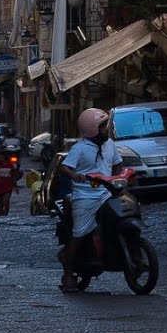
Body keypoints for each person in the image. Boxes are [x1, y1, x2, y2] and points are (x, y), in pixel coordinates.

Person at [54, 107, 123, 291]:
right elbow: (64, 167)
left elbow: (118, 164)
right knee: (79, 233)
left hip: (107, 193)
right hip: (85, 196)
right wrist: (74, 175)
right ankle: (68, 274)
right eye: (102, 126)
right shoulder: (80, 148)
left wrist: (117, 178)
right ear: (92, 128)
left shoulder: (109, 145)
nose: (106, 129)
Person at [0, 146, 18, 218]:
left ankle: (6, 215)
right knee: (0, 203)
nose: (0, 158)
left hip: (8, 186)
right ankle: (1, 216)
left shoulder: (10, 165)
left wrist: (15, 186)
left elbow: (13, 176)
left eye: (1, 157)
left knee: (6, 201)